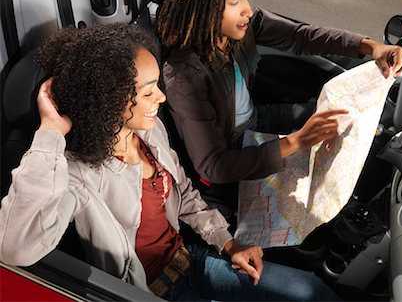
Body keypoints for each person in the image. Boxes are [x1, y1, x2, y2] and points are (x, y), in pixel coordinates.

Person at [0, 23, 342, 301]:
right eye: (148, 92)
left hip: (191, 260)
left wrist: (227, 242)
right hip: (148, 290)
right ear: (107, 99)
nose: (161, 97)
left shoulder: (150, 132)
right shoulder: (79, 174)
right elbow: (15, 247)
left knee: (311, 292)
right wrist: (50, 133)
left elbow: (185, 192)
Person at [157, 0, 402, 224]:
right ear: (203, 7)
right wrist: (295, 142)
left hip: (256, 121)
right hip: (233, 153)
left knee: (344, 120)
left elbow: (301, 36)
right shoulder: (184, 76)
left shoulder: (241, 29)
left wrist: (371, 46)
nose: (248, 10)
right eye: (235, 2)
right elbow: (214, 165)